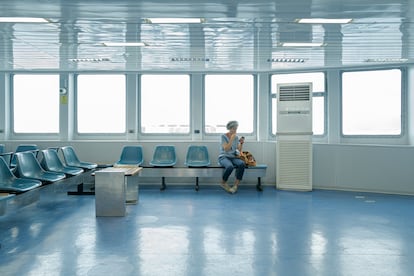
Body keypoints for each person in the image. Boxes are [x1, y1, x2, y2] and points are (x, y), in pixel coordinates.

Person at [218, 120, 245, 194]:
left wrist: (241, 143)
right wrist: (231, 139)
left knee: (242, 164)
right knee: (230, 167)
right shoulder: (223, 136)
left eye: (236, 129)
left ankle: (235, 185)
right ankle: (223, 182)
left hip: (233, 157)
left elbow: (238, 150)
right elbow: (226, 149)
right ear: (229, 128)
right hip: (224, 157)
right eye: (234, 128)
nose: (235, 130)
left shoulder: (236, 137)